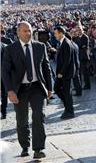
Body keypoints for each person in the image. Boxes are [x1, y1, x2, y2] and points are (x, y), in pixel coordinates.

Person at [2, 21, 52, 159]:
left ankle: (38, 148)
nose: (28, 33)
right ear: (18, 32)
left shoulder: (40, 47)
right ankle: (25, 146)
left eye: (29, 30)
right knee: (22, 120)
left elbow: (47, 68)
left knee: (38, 115)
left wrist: (50, 87)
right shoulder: (10, 49)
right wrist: (9, 91)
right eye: (24, 31)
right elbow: (5, 72)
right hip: (20, 89)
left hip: (37, 87)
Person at [54, 26, 75, 119]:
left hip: (65, 73)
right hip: (61, 72)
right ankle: (67, 105)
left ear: (61, 33)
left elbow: (67, 60)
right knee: (57, 88)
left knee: (67, 92)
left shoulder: (66, 43)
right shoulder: (61, 42)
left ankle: (69, 111)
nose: (55, 35)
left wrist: (61, 72)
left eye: (56, 33)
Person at [73, 25, 91, 90]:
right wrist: (80, 47)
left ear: (82, 30)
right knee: (79, 72)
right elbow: (76, 46)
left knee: (85, 72)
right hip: (78, 56)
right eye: (78, 30)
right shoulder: (76, 38)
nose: (79, 31)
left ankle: (87, 85)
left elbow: (84, 46)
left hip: (84, 57)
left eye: (80, 30)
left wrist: (80, 46)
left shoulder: (85, 37)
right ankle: (79, 85)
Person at [1, 42, 8, 119]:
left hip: (3, 75)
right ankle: (4, 112)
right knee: (4, 94)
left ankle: (4, 111)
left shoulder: (4, 46)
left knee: (4, 94)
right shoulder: (4, 45)